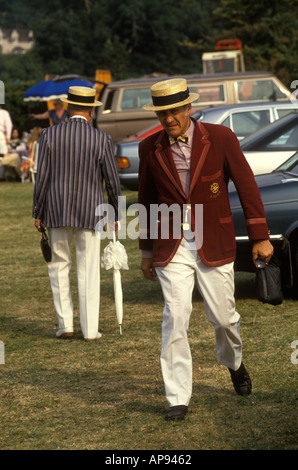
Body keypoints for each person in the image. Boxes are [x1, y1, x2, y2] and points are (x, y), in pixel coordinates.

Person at [138, 78, 273, 421]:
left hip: (213, 239)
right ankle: (177, 397)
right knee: (176, 317)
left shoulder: (221, 138)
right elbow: (147, 199)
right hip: (172, 244)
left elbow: (246, 186)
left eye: (174, 112)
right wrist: (145, 250)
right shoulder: (150, 148)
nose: (168, 120)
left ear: (188, 109)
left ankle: (235, 363)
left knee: (224, 319)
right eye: (162, 114)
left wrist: (260, 235)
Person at [33, 86, 121, 342]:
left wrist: (37, 211)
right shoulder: (101, 139)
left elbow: (43, 177)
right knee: (88, 268)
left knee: (58, 266)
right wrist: (114, 212)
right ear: (91, 111)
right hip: (91, 211)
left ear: (69, 108)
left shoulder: (49, 135)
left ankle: (65, 326)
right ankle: (90, 329)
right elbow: (112, 182)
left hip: (56, 209)